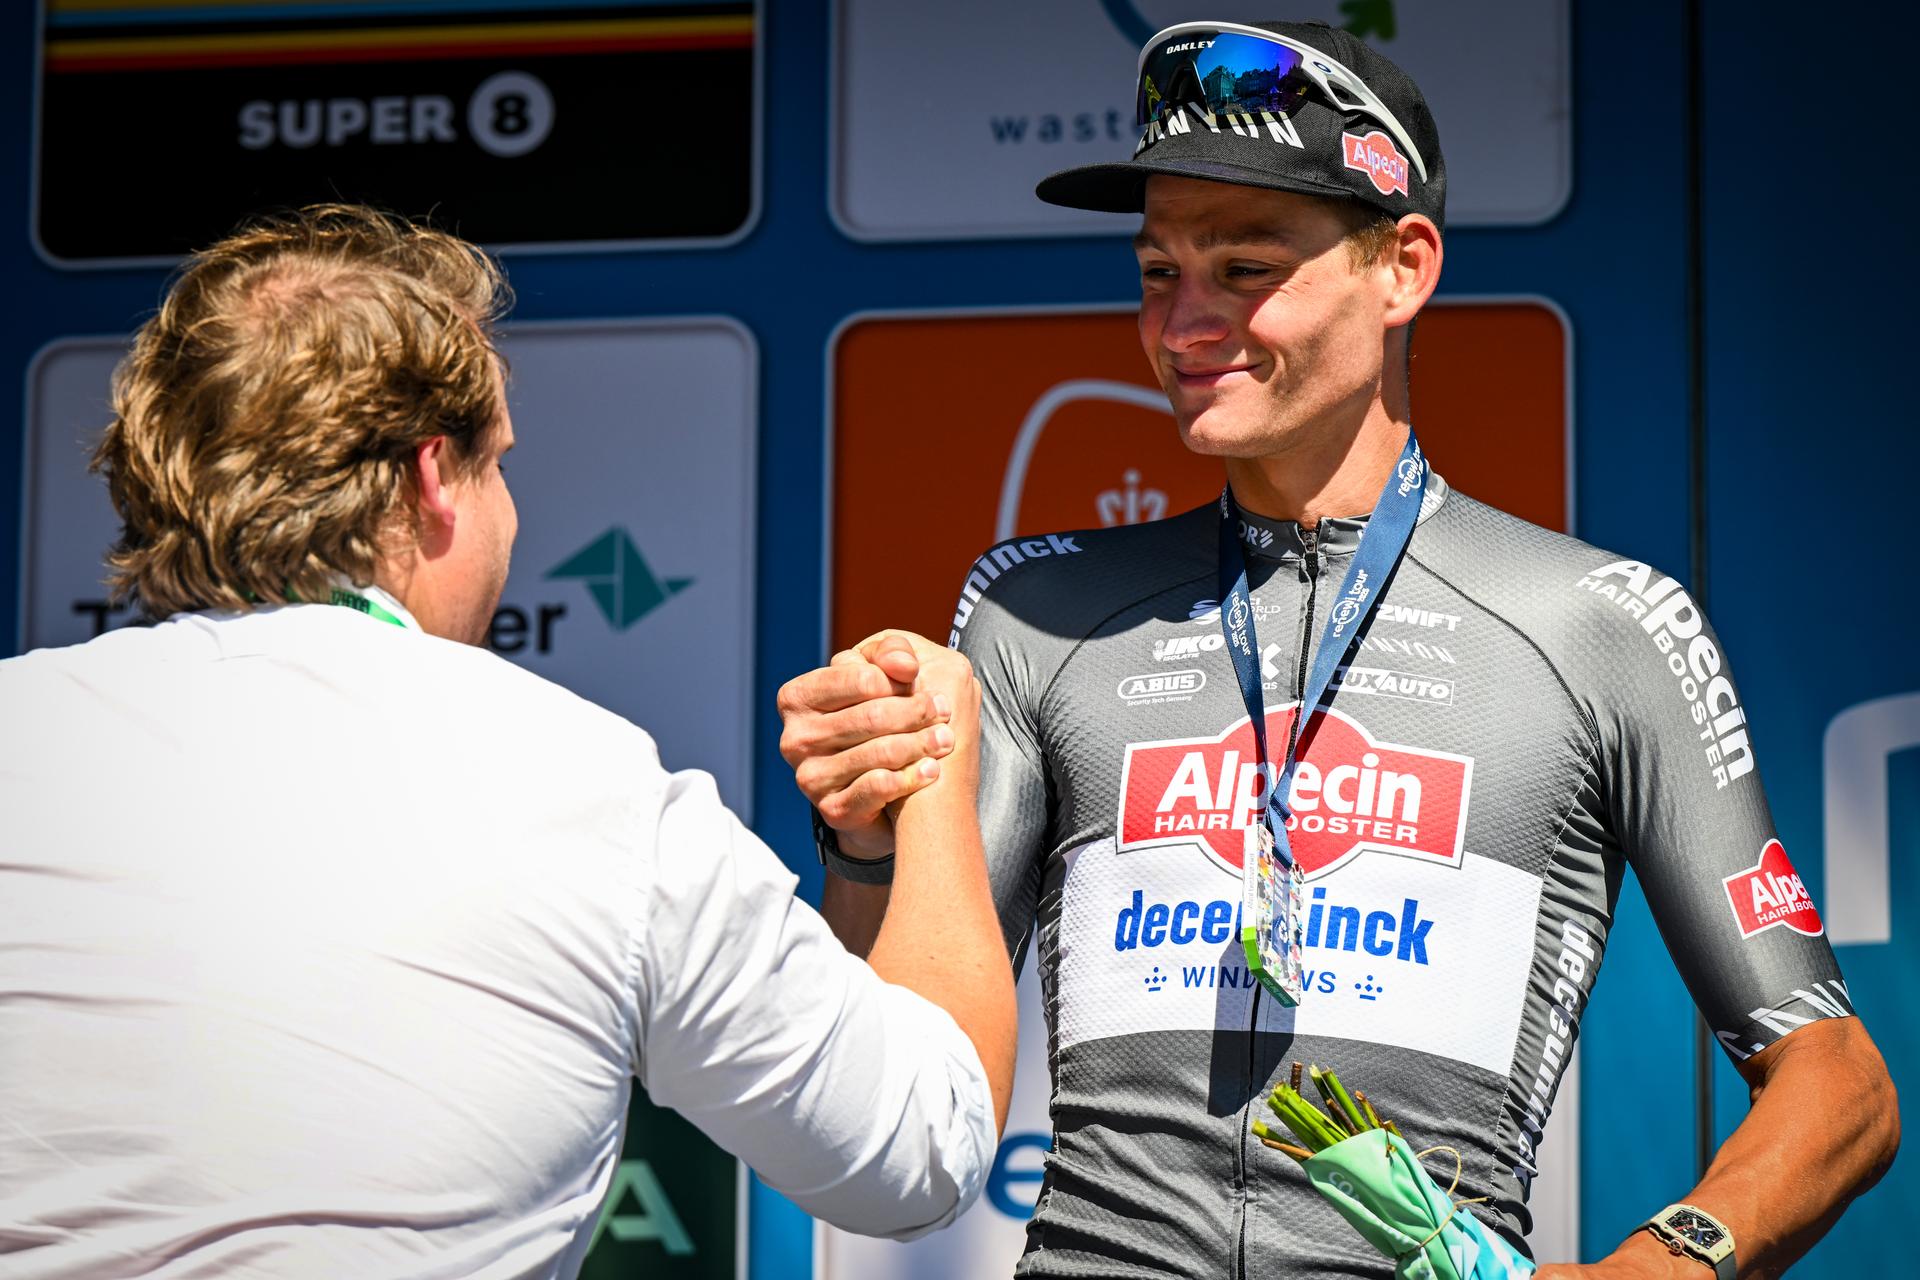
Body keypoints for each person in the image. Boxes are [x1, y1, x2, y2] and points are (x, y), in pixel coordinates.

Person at [779, 19, 1897, 1279]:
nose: (1183, 323)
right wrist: (864, 841)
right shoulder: (1035, 612)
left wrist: (1665, 1262)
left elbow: (1840, 1081)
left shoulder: (1598, 624)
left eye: (1245, 268)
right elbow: (899, 1083)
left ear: (1403, 267)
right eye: (1157, 271)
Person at [0, 205, 1015, 1278]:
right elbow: (922, 1149)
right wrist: (932, 758)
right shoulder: (590, 789)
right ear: (434, 477)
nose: (514, 516)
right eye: (500, 466)